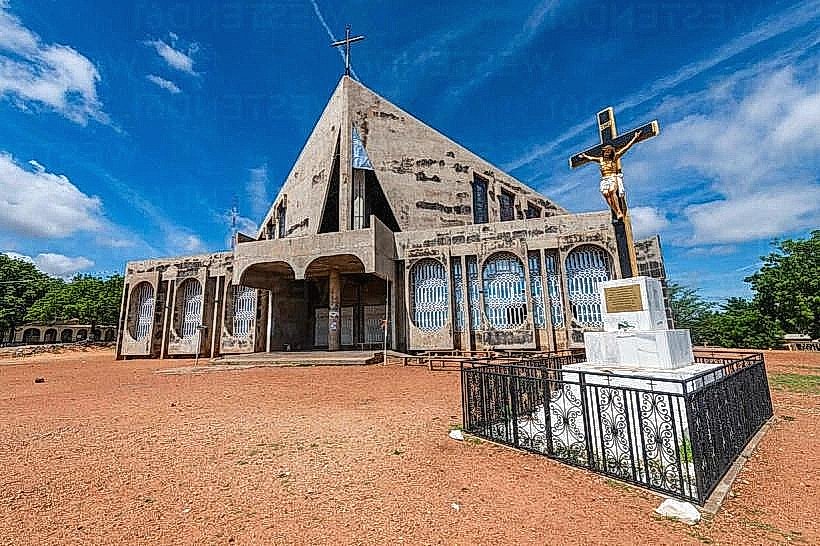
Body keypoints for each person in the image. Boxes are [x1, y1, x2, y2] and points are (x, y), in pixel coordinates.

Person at [579, 130, 642, 220]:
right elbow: (591, 158)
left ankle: (619, 211)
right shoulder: (600, 160)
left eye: (608, 152)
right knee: (606, 194)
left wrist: (635, 138)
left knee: (612, 192)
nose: (607, 153)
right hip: (604, 179)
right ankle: (616, 212)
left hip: (612, 177)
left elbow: (626, 148)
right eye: (605, 152)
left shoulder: (614, 158)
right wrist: (584, 156)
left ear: (611, 152)